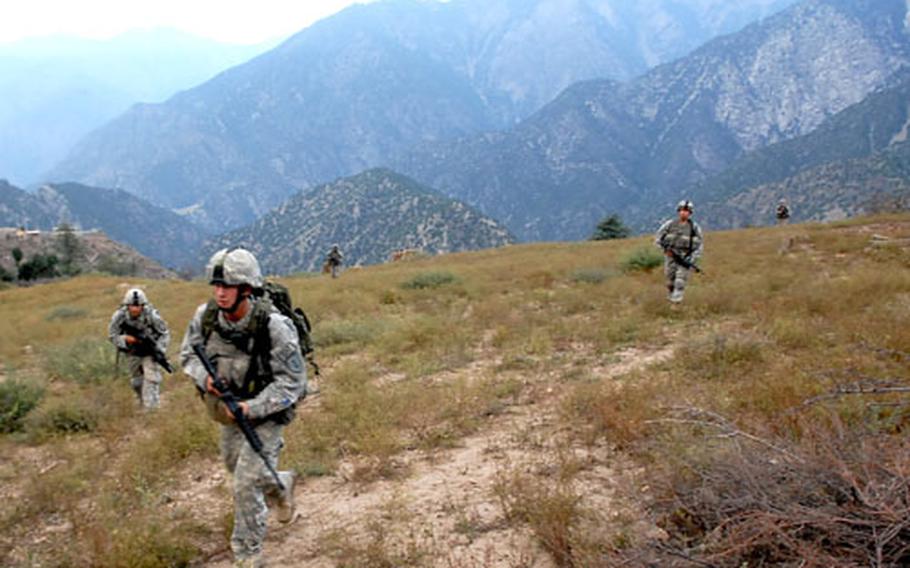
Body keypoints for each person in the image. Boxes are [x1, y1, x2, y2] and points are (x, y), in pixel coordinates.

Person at [179, 248, 305, 568]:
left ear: (246, 289)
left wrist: (252, 408)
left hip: (268, 412)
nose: (220, 293)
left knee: (245, 483)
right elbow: (187, 356)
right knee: (234, 465)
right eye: (216, 285)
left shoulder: (274, 327)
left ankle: (248, 555)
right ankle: (280, 484)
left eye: (228, 286)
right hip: (228, 411)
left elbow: (292, 383)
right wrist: (205, 378)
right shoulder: (204, 318)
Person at [108, 288, 170, 410]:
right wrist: (125, 339)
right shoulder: (120, 316)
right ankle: (142, 401)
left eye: (138, 306)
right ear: (127, 305)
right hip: (132, 351)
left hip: (150, 351)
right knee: (136, 382)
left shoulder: (152, 315)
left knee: (151, 378)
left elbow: (164, 333)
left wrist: (160, 350)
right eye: (132, 306)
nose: (135, 309)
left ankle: (151, 408)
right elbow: (112, 335)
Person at [655, 200, 704, 304]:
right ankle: (670, 299)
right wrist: (664, 250)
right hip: (670, 257)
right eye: (681, 210)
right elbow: (658, 238)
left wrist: (693, 258)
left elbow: (699, 244)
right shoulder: (670, 224)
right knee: (670, 281)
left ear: (690, 213)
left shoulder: (694, 227)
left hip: (685, 257)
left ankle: (676, 303)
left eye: (686, 211)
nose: (683, 213)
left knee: (680, 281)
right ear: (678, 211)